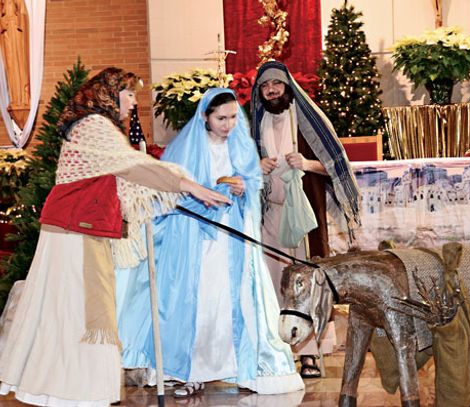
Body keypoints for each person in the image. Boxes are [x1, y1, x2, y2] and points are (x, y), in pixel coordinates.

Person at [0, 67, 229, 407]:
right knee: (88, 311)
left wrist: (172, 191)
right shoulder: (94, 126)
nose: (134, 102)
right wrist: (186, 184)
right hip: (74, 229)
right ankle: (78, 392)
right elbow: (133, 167)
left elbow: (125, 173)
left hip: (76, 226)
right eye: (129, 93)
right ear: (108, 94)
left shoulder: (95, 127)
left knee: (73, 311)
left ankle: (64, 390)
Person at [116, 88, 305, 396]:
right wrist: (203, 194)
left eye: (233, 117)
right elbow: (171, 193)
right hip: (196, 240)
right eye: (221, 118)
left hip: (233, 237)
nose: (228, 124)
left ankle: (238, 365)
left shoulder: (242, 145)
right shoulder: (187, 147)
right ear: (205, 116)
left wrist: (244, 187)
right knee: (200, 302)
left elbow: (253, 181)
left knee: (232, 301)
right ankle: (193, 370)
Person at [250, 61, 361, 378]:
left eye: (277, 84)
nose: (271, 90)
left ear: (287, 87)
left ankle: (309, 355)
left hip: (303, 219)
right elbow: (240, 167)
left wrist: (307, 163)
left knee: (304, 284)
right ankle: (277, 351)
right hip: (268, 216)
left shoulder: (308, 123)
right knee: (271, 284)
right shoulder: (253, 127)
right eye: (265, 86)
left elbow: (337, 166)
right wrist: (256, 165)